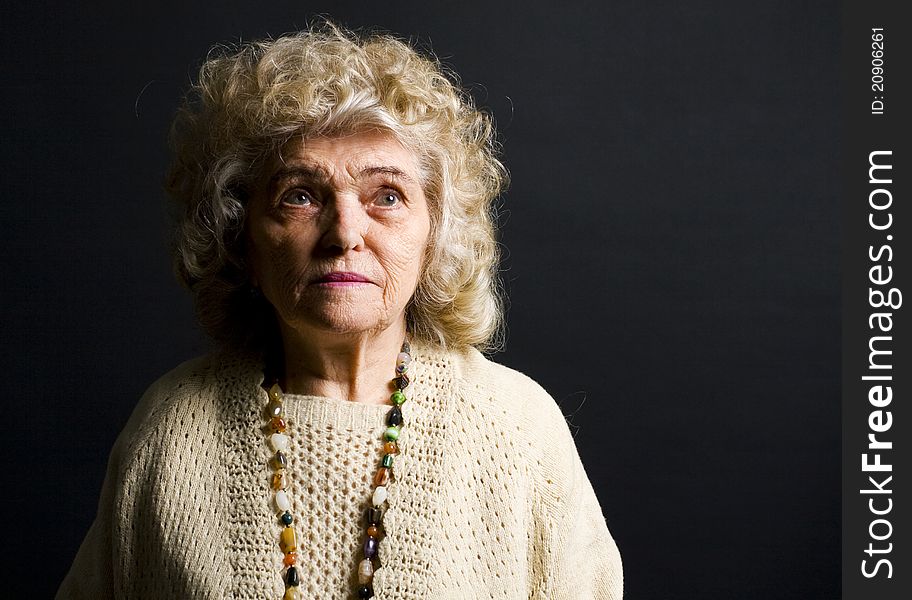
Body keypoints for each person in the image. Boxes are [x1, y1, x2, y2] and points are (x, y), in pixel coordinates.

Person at [57, 22, 623, 600]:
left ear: (435, 236)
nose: (345, 233)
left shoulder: (519, 428)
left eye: (387, 196)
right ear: (240, 236)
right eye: (300, 195)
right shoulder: (170, 428)